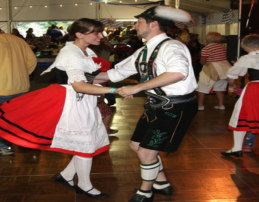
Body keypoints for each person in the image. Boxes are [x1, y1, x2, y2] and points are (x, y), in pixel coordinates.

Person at [0, 18, 114, 198]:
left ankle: (67, 175)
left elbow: (93, 78)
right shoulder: (71, 53)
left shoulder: (86, 51)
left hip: (84, 100)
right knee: (85, 142)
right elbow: (79, 85)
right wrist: (117, 89)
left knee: (86, 140)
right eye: (96, 32)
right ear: (79, 34)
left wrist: (123, 74)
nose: (101, 36)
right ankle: (84, 185)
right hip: (71, 101)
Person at [96, 6, 197, 201]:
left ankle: (145, 192)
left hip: (176, 106)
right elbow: (116, 73)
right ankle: (161, 182)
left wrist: (136, 88)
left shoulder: (172, 47)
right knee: (136, 146)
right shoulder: (144, 50)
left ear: (153, 24)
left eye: (138, 22)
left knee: (146, 152)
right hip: (156, 105)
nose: (134, 26)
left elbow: (178, 73)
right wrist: (82, 78)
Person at [0, 32, 37, 155]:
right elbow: (32, 60)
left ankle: (4, 146)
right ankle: (25, 141)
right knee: (19, 117)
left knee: (3, 119)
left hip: (2, 87)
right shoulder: (18, 40)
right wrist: (23, 74)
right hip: (21, 86)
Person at [197, 31, 231, 111]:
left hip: (211, 70)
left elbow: (203, 61)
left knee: (202, 87)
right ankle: (221, 105)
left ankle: (200, 105)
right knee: (220, 88)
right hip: (224, 70)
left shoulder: (206, 48)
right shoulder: (222, 46)